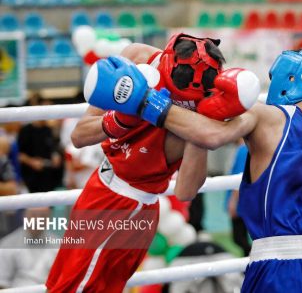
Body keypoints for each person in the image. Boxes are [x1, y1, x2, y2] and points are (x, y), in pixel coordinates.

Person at [86, 44, 302, 292]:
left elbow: (207, 135)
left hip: (275, 271)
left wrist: (146, 102)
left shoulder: (264, 116)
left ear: (291, 76)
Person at [46, 33, 259, 292]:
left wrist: (201, 121)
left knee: (76, 287)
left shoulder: (201, 112)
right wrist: (119, 120)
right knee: (70, 283)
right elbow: (79, 136)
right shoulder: (137, 57)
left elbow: (185, 191)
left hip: (131, 206)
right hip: (100, 189)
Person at [0, 207, 58, 289]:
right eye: (34, 215)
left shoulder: (59, 244)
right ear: (24, 216)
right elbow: (2, 282)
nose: (38, 220)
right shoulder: (7, 244)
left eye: (42, 216)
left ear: (49, 218)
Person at [226, 138, 251, 256]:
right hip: (245, 202)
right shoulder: (244, 149)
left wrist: (233, 202)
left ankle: (249, 265)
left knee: (239, 238)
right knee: (241, 238)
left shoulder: (243, 150)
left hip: (242, 203)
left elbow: (240, 177)